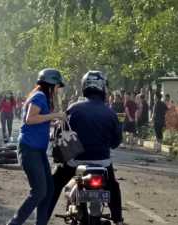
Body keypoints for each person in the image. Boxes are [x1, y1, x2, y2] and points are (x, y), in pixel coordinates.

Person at [47, 70, 124, 225]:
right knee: (113, 186)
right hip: (102, 162)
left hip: (75, 161)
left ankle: (42, 218)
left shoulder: (73, 108)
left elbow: (61, 134)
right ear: (103, 88)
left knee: (54, 184)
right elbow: (116, 142)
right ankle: (118, 219)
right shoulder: (110, 113)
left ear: (84, 87)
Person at [6, 68, 65, 225]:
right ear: (51, 85)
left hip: (38, 151)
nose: (58, 90)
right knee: (39, 192)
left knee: (49, 190)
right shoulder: (39, 96)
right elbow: (30, 119)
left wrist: (53, 121)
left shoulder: (42, 97)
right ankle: (14, 223)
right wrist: (55, 115)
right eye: (57, 86)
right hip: (29, 150)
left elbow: (39, 120)